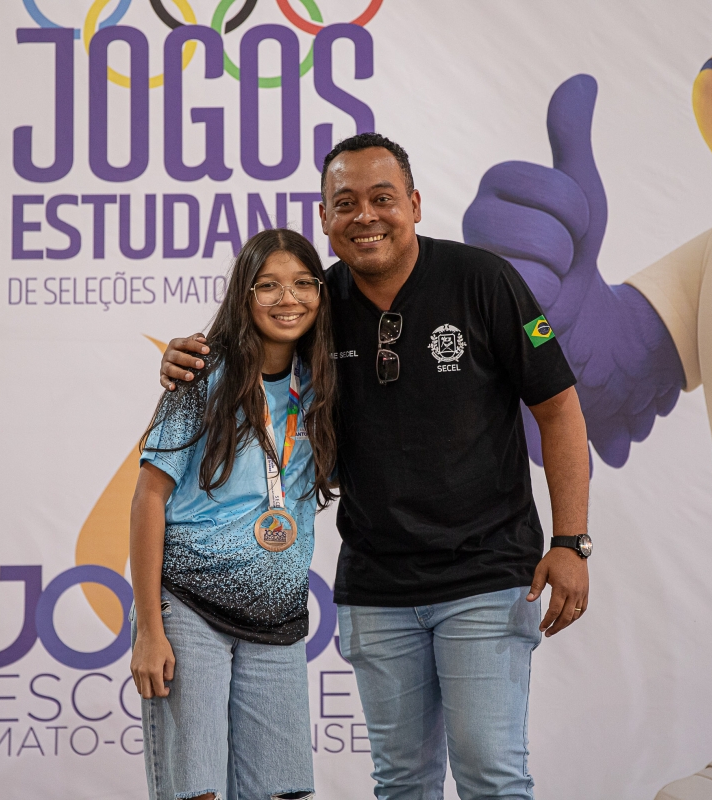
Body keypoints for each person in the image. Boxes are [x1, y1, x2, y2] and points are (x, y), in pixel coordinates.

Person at [160, 133, 591, 800]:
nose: (365, 215)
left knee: (491, 772)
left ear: (414, 205)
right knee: (402, 782)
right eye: (345, 203)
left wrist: (570, 541)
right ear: (325, 217)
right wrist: (188, 356)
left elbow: (558, 408)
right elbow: (247, 353)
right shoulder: (317, 304)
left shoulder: (484, 281)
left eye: (382, 198)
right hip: (376, 589)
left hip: (485, 574)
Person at [129, 228, 337, 800]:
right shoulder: (200, 375)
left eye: (302, 283)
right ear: (244, 294)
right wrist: (149, 629)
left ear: (321, 295)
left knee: (281, 792)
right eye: (268, 285)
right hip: (188, 607)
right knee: (196, 791)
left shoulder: (324, 385)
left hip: (277, 619)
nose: (287, 298)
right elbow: (148, 499)